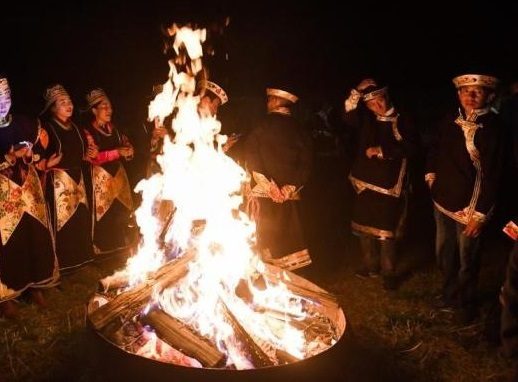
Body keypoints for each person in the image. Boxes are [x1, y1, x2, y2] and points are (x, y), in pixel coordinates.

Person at [426, 73, 503, 323]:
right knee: (444, 254)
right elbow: (435, 147)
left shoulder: (494, 129)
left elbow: (493, 174)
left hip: (470, 208)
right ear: (458, 94)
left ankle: (465, 305)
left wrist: (480, 215)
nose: (470, 96)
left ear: (488, 95)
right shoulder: (450, 118)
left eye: (477, 92)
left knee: (467, 260)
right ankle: (448, 295)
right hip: (442, 201)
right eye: (465, 91)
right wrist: (431, 172)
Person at [343, 79, 416, 290]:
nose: (377, 106)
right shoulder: (367, 120)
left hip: (389, 184)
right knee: (364, 226)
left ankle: (389, 272)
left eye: (380, 100)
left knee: (386, 230)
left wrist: (382, 152)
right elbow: (347, 117)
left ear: (387, 98)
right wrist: (357, 91)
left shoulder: (403, 119)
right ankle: (370, 265)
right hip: (364, 182)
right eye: (372, 103)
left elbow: (411, 147)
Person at [0, 76, 59, 318]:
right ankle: (6, 296)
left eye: (6, 95)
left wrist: (31, 153)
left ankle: (35, 284)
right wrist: (9, 155)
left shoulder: (26, 124)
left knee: (33, 234)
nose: (3, 101)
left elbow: (41, 151)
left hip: (27, 188)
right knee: (7, 242)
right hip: (3, 193)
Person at [244, 86, 313, 271]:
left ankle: (265, 276)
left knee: (264, 236)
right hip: (288, 196)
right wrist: (289, 187)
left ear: (274, 101)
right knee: (289, 235)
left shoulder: (262, 125)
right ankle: (288, 277)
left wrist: (268, 186)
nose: (267, 103)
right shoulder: (300, 129)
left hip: (264, 195)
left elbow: (251, 155)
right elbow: (306, 162)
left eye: (269, 100)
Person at [39, 84, 97, 271]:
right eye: (62, 102)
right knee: (63, 224)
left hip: (77, 178)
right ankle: (65, 265)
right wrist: (47, 164)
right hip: (59, 183)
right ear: (53, 108)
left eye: (69, 101)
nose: (68, 105)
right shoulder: (47, 129)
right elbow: (38, 157)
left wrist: (88, 155)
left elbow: (82, 154)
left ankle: (83, 260)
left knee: (80, 219)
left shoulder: (78, 129)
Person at [82, 88, 134, 255]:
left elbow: (128, 147)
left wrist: (129, 151)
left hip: (118, 179)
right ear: (94, 110)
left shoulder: (115, 129)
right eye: (104, 107)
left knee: (122, 213)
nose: (109, 110)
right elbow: (94, 158)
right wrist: (118, 152)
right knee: (105, 216)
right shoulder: (87, 132)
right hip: (101, 181)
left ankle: (123, 248)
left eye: (110, 107)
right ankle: (105, 251)